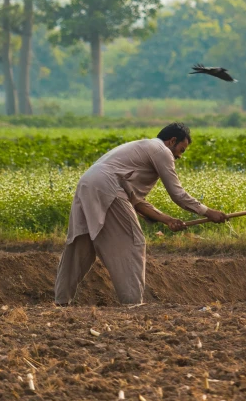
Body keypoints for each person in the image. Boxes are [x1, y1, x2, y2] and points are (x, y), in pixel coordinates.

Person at [54, 122, 226, 306]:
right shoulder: (161, 150)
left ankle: (61, 301)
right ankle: (132, 303)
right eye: (181, 150)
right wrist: (208, 212)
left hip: (88, 182)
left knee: (81, 242)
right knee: (133, 241)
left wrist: (167, 220)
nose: (179, 156)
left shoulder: (140, 150)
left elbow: (136, 202)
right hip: (107, 185)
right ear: (172, 141)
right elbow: (178, 194)